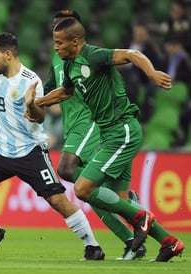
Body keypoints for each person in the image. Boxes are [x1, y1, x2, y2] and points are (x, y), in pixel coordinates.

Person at [25, 17, 185, 262]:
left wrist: (152, 73)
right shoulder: (69, 66)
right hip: (109, 133)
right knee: (120, 203)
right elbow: (66, 92)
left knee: (82, 188)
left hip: (122, 131)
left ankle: (142, 217)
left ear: (75, 42)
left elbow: (132, 54)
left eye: (59, 43)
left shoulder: (94, 56)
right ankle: (169, 242)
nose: (55, 47)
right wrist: (37, 103)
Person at [0, 32, 104, 260]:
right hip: (3, 153)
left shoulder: (30, 81)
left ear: (8, 54)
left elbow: (39, 117)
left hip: (30, 152)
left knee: (58, 200)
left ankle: (93, 247)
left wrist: (31, 105)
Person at [41, 10, 148, 260]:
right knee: (89, 190)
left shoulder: (87, 57)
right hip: (72, 127)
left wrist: (151, 73)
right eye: (54, 29)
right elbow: (52, 92)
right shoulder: (59, 61)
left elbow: (123, 61)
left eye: (62, 28)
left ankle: (131, 211)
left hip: (89, 122)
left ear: (74, 34)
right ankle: (130, 227)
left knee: (68, 170)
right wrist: (33, 102)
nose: (56, 36)